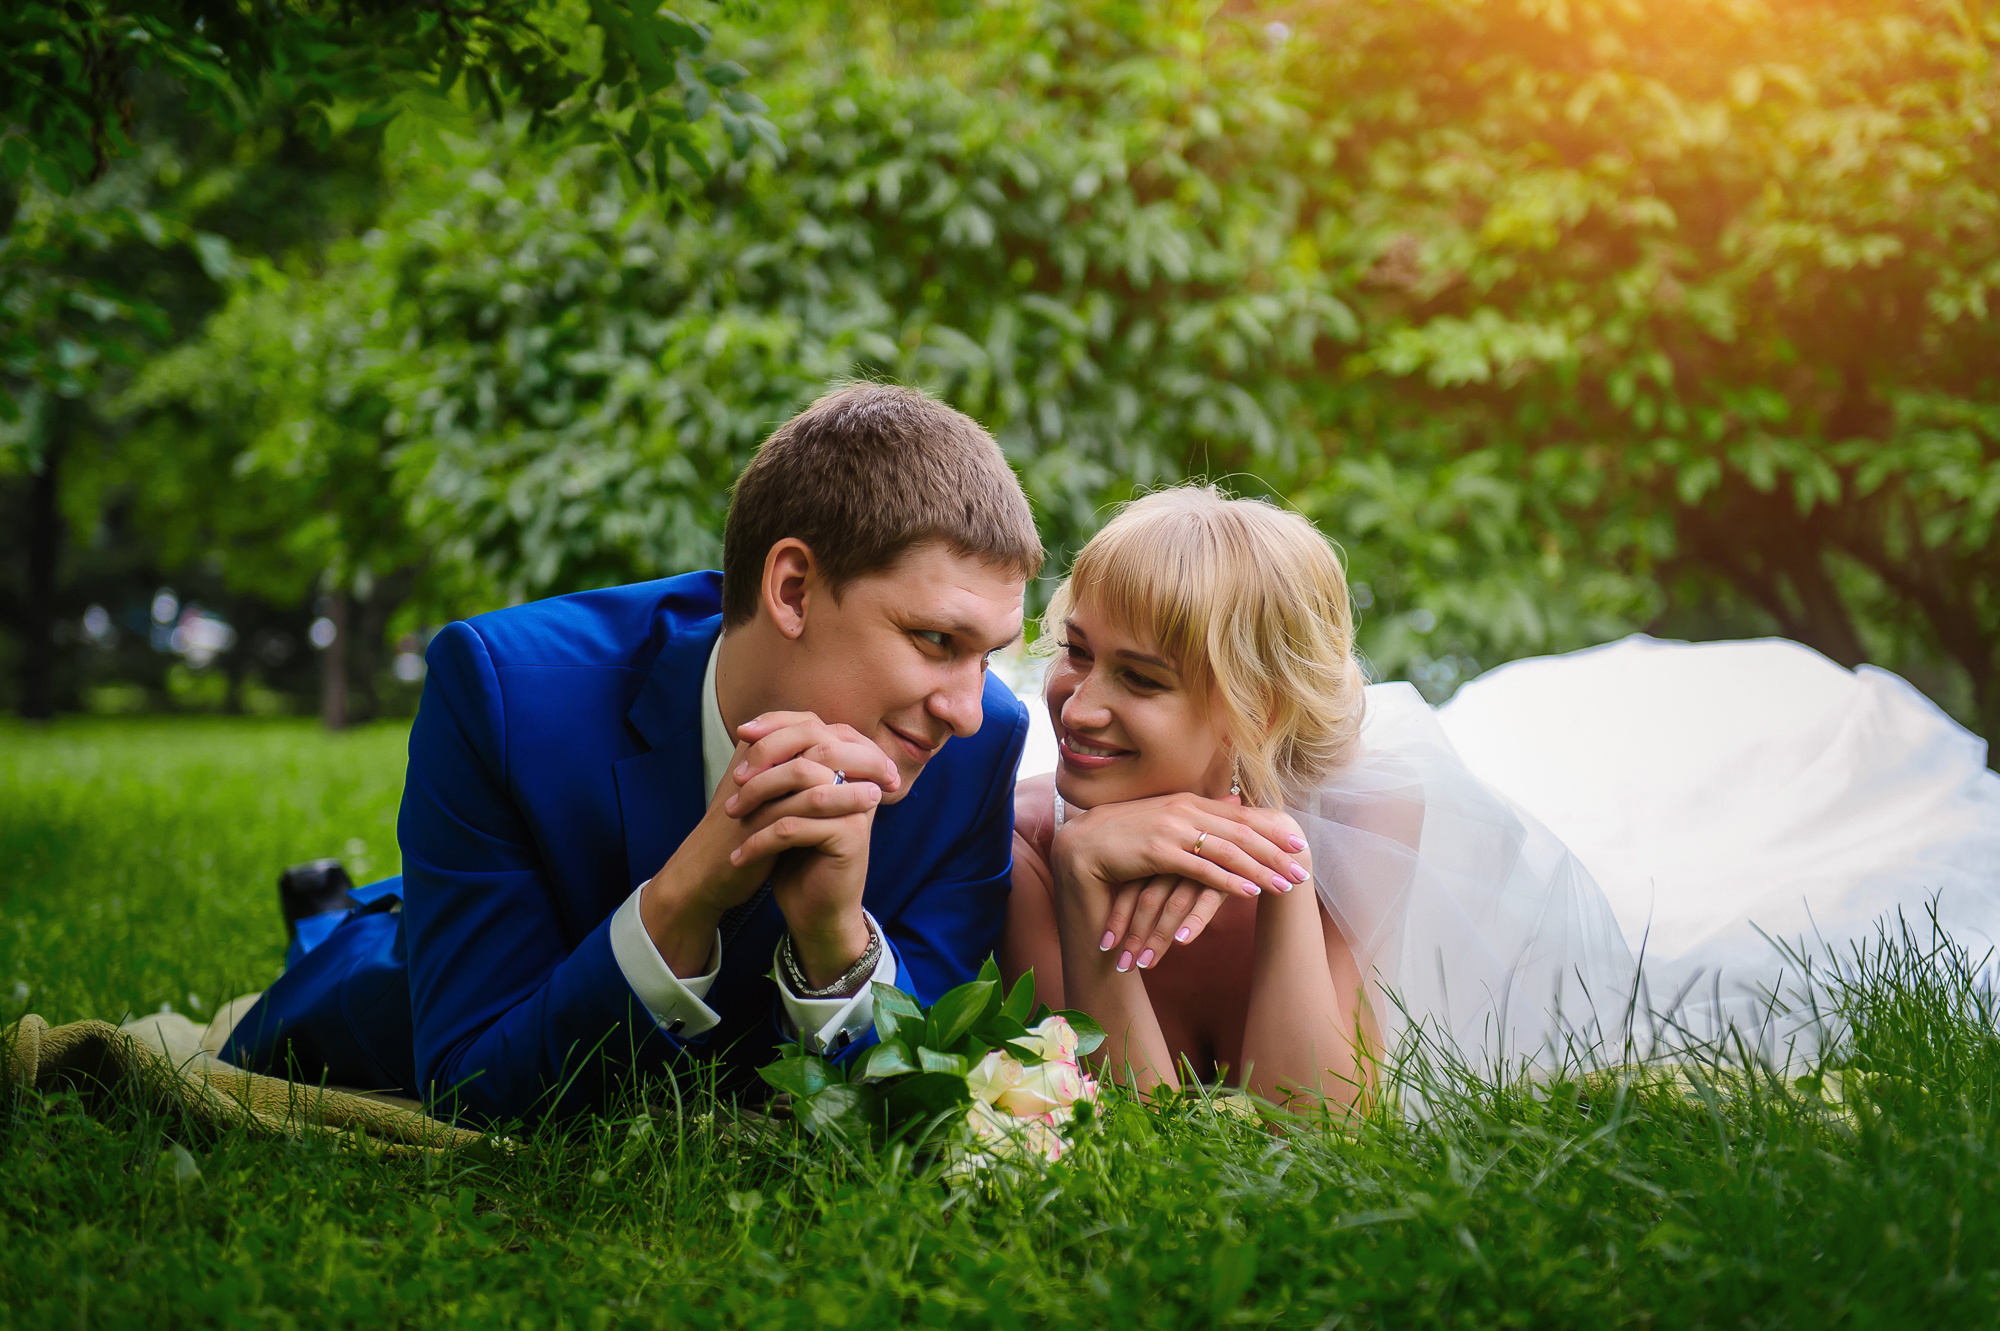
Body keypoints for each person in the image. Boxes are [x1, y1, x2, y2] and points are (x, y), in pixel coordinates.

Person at [1002, 485, 2000, 1106]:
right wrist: (1085, 880)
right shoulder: (1028, 844)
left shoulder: (1360, 818)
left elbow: (1305, 1130)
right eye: (1076, 652)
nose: (1077, 704)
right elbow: (1129, 1131)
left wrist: (1283, 873)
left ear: (1253, 709)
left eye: (1140, 678)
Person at [224, 383, 1043, 1123]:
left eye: (988, 654)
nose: (967, 711)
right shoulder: (505, 694)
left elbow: (925, 1091)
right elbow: (471, 1079)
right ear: (792, 590)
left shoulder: (981, 747)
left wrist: (836, 942)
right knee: (372, 951)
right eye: (936, 639)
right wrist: (684, 898)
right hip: (428, 974)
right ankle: (327, 919)